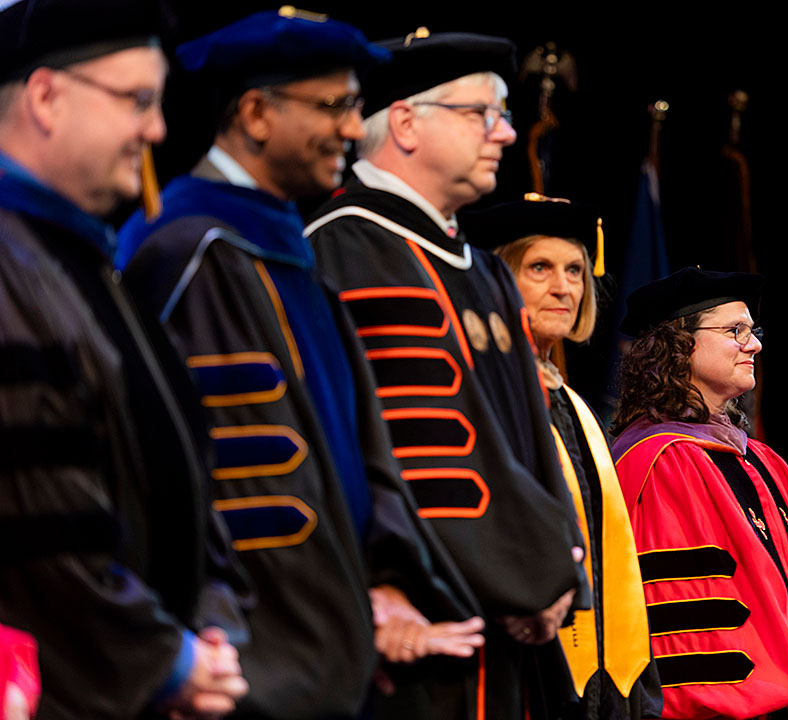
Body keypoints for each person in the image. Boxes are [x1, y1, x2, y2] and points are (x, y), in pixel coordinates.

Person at [115, 10, 485, 719]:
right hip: (242, 666)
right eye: (336, 106)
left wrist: (383, 580)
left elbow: (359, 436)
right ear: (256, 113)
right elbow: (201, 475)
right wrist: (241, 645)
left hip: (330, 652)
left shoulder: (293, 254)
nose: (354, 129)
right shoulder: (183, 252)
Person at [305, 30, 587, 719]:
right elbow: (375, 452)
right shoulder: (340, 250)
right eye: (482, 114)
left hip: (513, 632)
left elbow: (527, 440)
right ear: (404, 121)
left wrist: (556, 573)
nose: (506, 133)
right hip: (411, 634)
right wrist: (385, 582)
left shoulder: (483, 268)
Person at [0, 1, 248, 717]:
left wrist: (212, 621)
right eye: (136, 101)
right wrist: (169, 663)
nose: (157, 130)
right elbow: (39, 535)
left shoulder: (95, 265)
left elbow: (186, 474)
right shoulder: (12, 270)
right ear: (47, 97)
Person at [610, 267, 788, 719]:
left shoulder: (758, 460)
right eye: (735, 330)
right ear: (678, 345)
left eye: (752, 330)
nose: (755, 344)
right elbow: (697, 620)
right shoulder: (661, 462)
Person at [463, 194, 663, 719]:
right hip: (520, 664)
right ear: (496, 281)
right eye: (540, 268)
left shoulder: (573, 404)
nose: (565, 287)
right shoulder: (478, 393)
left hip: (604, 678)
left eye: (575, 270)